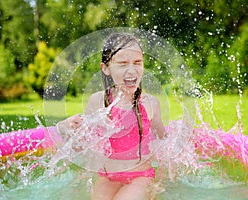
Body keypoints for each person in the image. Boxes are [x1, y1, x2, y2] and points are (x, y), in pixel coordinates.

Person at [57, 33, 166, 200]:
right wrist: (63, 129)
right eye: (122, 63)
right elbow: (81, 146)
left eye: (138, 62)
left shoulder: (150, 103)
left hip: (141, 176)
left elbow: (164, 143)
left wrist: (163, 179)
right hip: (108, 177)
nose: (131, 69)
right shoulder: (96, 102)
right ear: (106, 68)